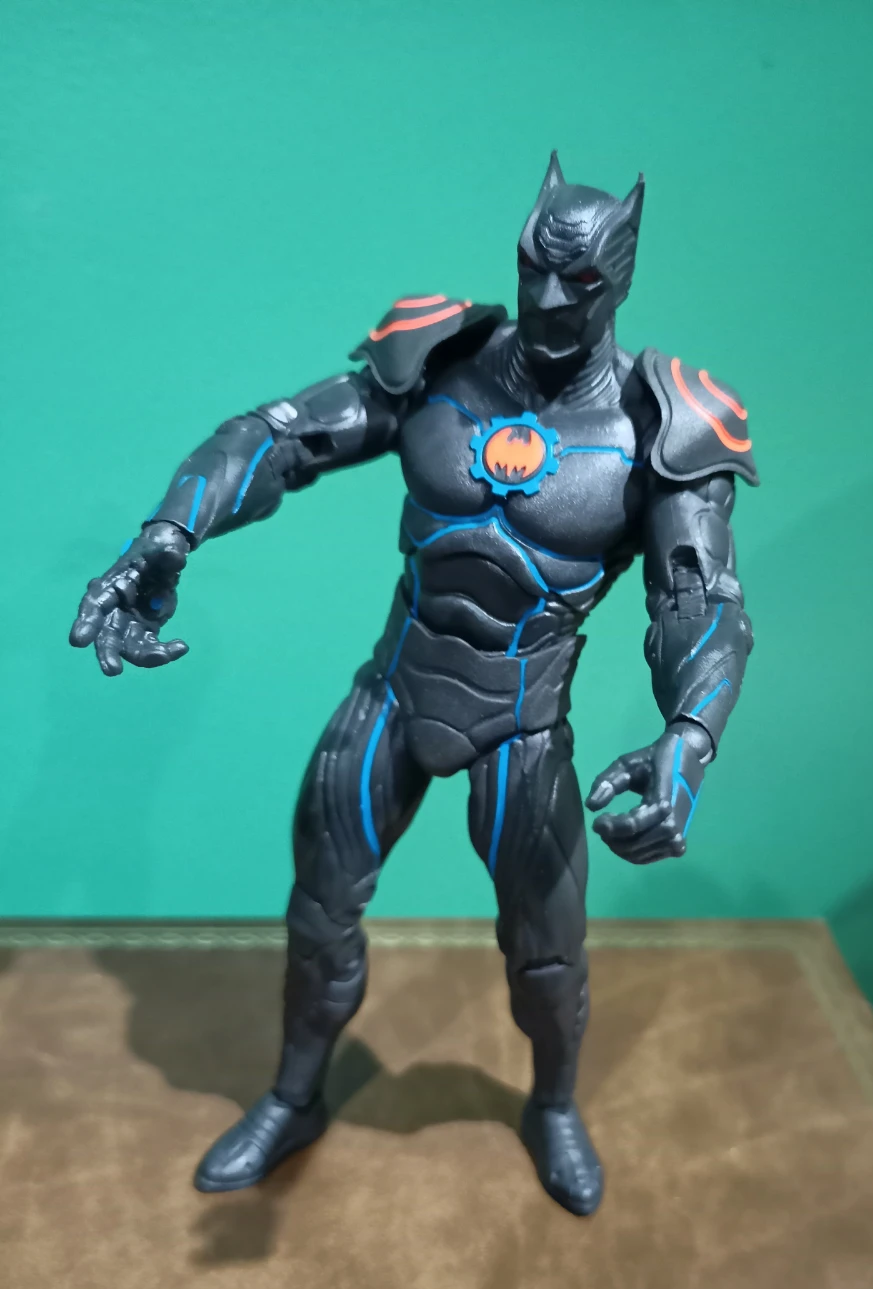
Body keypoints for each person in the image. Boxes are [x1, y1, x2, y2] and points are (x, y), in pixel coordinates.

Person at [70, 153, 758, 1217]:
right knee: (319, 911)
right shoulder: (443, 361)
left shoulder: (660, 424)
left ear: (620, 279)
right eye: (534, 268)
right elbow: (279, 437)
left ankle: (554, 1104)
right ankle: (295, 1095)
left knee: (544, 954)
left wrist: (692, 733)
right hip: (394, 690)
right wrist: (170, 534)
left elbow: (697, 595)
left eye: (580, 282)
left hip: (523, 724)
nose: (548, 299)